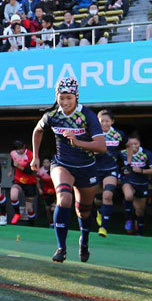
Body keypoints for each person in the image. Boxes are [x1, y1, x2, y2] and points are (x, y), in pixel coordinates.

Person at [30, 77, 105, 263]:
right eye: (61, 97)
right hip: (62, 164)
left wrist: (77, 141)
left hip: (86, 168)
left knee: (84, 212)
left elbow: (102, 146)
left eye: (68, 98)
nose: (64, 102)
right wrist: (35, 156)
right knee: (63, 199)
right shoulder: (52, 115)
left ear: (76, 97)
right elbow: (37, 131)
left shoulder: (87, 115)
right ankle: (61, 248)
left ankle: (84, 240)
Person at [93, 110, 123, 237]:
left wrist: (128, 165)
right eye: (102, 121)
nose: (104, 123)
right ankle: (99, 212)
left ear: (112, 122)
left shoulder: (119, 135)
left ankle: (103, 227)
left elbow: (126, 148)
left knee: (108, 195)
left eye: (107, 121)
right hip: (95, 169)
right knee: (94, 198)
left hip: (111, 169)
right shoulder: (93, 134)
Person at [119, 135, 152, 235]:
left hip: (142, 183)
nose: (133, 146)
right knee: (128, 196)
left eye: (136, 144)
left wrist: (141, 170)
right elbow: (117, 165)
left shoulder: (147, 153)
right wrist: (122, 171)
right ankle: (129, 220)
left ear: (140, 144)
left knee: (140, 211)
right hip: (128, 181)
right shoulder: (122, 153)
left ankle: (139, 232)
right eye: (131, 144)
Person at [7, 140, 39, 225]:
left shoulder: (30, 154)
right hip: (18, 180)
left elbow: (29, 171)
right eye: (17, 149)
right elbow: (13, 163)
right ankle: (17, 213)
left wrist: (18, 166)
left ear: (24, 147)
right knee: (13, 195)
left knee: (29, 208)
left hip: (30, 182)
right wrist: (11, 171)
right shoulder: (12, 153)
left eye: (20, 149)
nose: (19, 151)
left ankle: (32, 223)